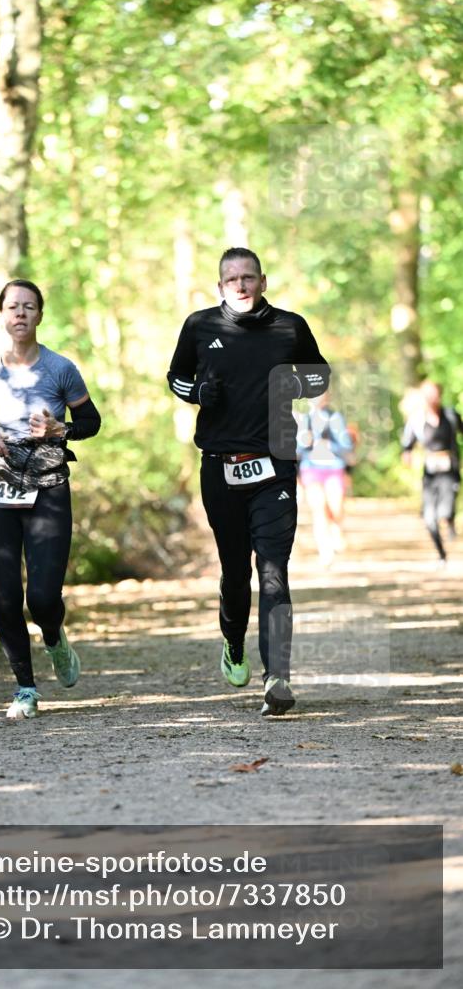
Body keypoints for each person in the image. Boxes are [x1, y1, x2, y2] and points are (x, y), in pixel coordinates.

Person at [167, 247, 330, 716]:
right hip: (220, 465)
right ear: (220, 286)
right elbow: (175, 377)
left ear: (263, 281)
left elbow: (319, 376)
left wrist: (292, 384)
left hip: (275, 463)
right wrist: (198, 392)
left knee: (273, 570)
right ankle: (233, 640)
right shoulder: (200, 326)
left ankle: (277, 676)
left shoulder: (289, 326)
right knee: (236, 573)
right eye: (232, 279)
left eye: (248, 277)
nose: (240, 285)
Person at [0, 279, 101, 720]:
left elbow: (91, 422)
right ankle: (25, 688)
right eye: (13, 307)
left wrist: (61, 429)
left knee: (43, 597)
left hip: (49, 487)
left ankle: (54, 637)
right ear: (2, 316)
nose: (20, 313)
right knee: (5, 596)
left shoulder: (61, 369)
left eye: (29, 306)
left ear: (40, 315)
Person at [401, 380, 462, 565]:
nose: (431, 398)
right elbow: (407, 443)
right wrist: (407, 454)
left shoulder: (451, 416)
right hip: (430, 474)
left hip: (449, 470)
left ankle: (450, 520)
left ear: (439, 395)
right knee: (429, 519)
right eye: (427, 394)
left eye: (433, 393)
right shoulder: (417, 419)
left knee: (445, 510)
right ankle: (441, 554)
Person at [296, 389, 355, 566]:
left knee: (336, 508)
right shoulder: (303, 419)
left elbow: (346, 444)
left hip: (333, 468)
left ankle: (336, 529)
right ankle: (325, 550)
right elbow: (296, 449)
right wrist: (304, 443)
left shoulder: (335, 418)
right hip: (311, 469)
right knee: (319, 508)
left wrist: (329, 445)